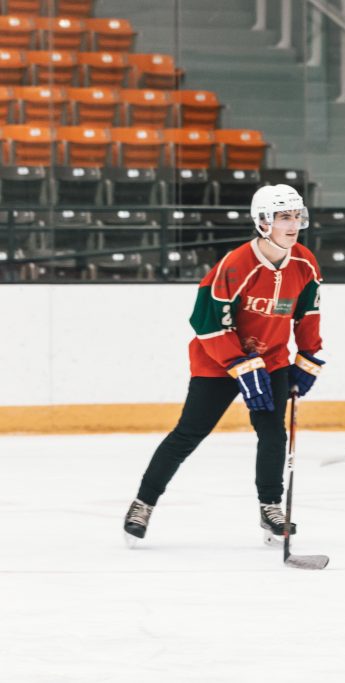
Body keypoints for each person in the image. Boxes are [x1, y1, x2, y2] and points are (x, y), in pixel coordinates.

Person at [123, 185, 325, 546]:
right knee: (189, 433)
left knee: (273, 433)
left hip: (271, 359)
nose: (292, 224)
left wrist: (307, 358)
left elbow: (308, 313)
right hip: (218, 362)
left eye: (296, 216)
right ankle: (143, 503)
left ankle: (270, 507)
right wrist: (240, 365)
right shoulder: (235, 265)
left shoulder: (304, 262)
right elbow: (207, 323)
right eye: (283, 217)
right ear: (264, 222)